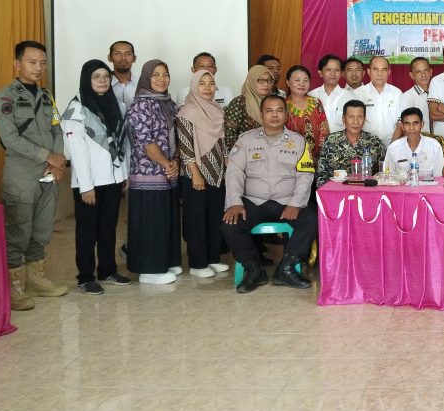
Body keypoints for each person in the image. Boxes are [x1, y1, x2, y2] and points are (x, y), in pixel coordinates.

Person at [0, 40, 69, 309]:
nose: (38, 68)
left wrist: (57, 161)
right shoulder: (5, 97)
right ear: (17, 64)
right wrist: (48, 156)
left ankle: (36, 280)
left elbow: (57, 128)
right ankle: (14, 289)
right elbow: (10, 138)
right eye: (32, 62)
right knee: (18, 230)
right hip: (21, 174)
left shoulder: (47, 97)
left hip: (48, 173)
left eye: (42, 63)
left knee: (42, 228)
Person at [221, 95, 317, 294]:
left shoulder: (299, 142)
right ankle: (253, 269)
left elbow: (306, 175)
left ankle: (287, 268)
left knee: (312, 220)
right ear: (261, 114)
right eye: (269, 110)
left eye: (279, 110)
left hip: (286, 201)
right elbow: (234, 173)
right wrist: (234, 202)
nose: (275, 115)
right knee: (230, 224)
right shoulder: (246, 140)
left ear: (286, 114)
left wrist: (296, 203)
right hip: (254, 201)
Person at [61, 59, 131, 294]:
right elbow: (77, 152)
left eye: (105, 77)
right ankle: (85, 277)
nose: (102, 81)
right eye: (96, 77)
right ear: (86, 79)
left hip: (113, 180)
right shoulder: (76, 110)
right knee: (87, 231)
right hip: (89, 184)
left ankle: (107, 270)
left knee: (108, 228)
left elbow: (123, 143)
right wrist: (86, 186)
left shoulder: (116, 105)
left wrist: (124, 173)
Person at [126, 60, 182, 284]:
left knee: (166, 219)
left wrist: (175, 161)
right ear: (146, 78)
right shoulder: (140, 105)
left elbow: (178, 137)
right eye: (155, 75)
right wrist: (167, 164)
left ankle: (166, 261)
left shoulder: (169, 103)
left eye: (165, 74)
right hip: (147, 173)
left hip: (168, 172)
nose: (161, 79)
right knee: (151, 221)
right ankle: (149, 271)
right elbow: (146, 142)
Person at [175, 69, 229, 278]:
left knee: (215, 219)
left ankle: (213, 259)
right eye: (202, 83)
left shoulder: (217, 110)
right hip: (194, 175)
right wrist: (195, 174)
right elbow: (185, 146)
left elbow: (222, 142)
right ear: (194, 86)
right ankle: (198, 265)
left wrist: (226, 166)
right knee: (196, 221)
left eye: (211, 83)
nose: (207, 87)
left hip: (217, 173)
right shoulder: (186, 112)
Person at [315, 99, 387, 185]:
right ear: (343, 119)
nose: (355, 122)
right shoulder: (331, 141)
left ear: (364, 119)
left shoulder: (375, 142)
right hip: (336, 191)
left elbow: (384, 174)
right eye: (351, 117)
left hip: (366, 191)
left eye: (359, 117)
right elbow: (321, 174)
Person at [284, 65, 330, 163]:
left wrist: (320, 156)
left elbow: (324, 130)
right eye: (297, 80)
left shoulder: (316, 102)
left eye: (305, 80)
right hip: (291, 158)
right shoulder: (282, 105)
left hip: (316, 160)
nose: (302, 84)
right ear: (288, 82)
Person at [383, 107, 444, 176]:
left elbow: (439, 178)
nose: (412, 128)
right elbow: (388, 176)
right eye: (407, 124)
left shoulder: (434, 147)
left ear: (422, 124)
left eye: (415, 123)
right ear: (402, 126)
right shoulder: (393, 148)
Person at [224, 65, 273, 150]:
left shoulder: (273, 102)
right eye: (261, 80)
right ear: (251, 81)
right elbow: (229, 134)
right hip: (245, 152)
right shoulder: (239, 102)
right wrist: (238, 154)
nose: (266, 84)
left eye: (268, 80)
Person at [357, 56, 401, 146]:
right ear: (369, 72)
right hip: (365, 145)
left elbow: (400, 123)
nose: (380, 74)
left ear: (389, 72)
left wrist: (392, 146)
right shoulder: (359, 94)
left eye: (384, 70)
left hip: (391, 144)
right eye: (375, 69)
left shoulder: (397, 93)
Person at [308, 54, 351, 133]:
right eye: (328, 70)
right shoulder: (311, 95)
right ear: (320, 73)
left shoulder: (349, 97)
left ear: (341, 74)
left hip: (340, 140)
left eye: (337, 70)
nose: (333, 73)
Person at [396, 56, 434, 137]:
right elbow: (403, 125)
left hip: (441, 140)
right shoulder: (407, 97)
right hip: (419, 140)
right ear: (412, 75)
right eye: (418, 72)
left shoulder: (438, 92)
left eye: (426, 70)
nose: (423, 75)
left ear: (431, 72)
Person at [108, 40, 137, 108]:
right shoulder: (101, 84)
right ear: (109, 58)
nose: (123, 58)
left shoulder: (142, 85)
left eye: (128, 54)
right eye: (118, 54)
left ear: (134, 58)